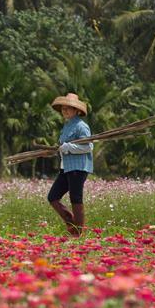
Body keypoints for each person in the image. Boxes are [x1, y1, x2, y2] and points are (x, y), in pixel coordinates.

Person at [47, 93, 93, 236]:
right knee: (53, 196)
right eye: (63, 109)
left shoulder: (81, 126)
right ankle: (72, 223)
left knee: (76, 197)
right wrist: (58, 150)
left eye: (68, 108)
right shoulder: (66, 126)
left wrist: (68, 148)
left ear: (76, 110)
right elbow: (63, 147)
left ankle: (77, 232)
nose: (65, 111)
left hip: (78, 168)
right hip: (66, 167)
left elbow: (88, 147)